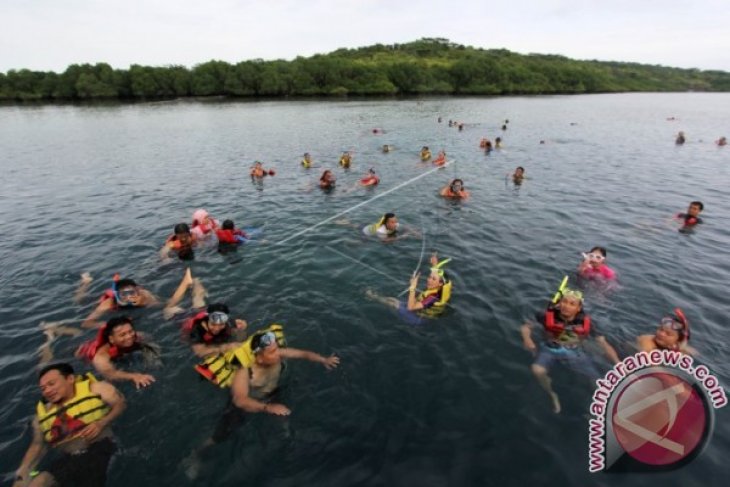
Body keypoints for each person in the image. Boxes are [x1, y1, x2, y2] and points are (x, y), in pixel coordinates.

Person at [12, 363, 125, 487]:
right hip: (68, 459)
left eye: (51, 384)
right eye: (43, 388)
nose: (47, 391)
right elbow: (38, 445)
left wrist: (101, 423)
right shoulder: (41, 416)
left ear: (70, 379)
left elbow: (120, 405)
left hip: (100, 447)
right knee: (38, 482)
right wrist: (23, 471)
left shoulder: (97, 389)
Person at [520, 284, 620, 413]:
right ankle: (552, 394)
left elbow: (603, 343)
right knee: (537, 370)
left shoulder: (586, 323)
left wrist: (618, 363)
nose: (566, 306)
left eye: (572, 304)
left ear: (578, 308)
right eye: (564, 302)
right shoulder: (545, 316)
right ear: (559, 303)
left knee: (598, 381)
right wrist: (527, 339)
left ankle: (609, 408)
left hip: (574, 352)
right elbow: (526, 327)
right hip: (549, 349)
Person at [366, 254, 452, 326]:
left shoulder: (433, 297)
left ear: (440, 283)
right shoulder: (445, 284)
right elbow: (437, 274)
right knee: (392, 299)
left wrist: (413, 287)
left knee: (394, 303)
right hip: (427, 311)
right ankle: (376, 297)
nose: (429, 280)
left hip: (418, 319)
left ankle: (372, 297)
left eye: (433, 279)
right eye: (429, 277)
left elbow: (410, 308)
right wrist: (435, 264)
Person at [75, 316, 157, 389]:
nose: (129, 336)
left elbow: (150, 340)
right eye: (122, 335)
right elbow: (111, 375)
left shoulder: (137, 337)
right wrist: (134, 376)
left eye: (130, 331)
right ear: (111, 339)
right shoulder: (101, 357)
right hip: (82, 353)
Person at [81, 275, 159, 329]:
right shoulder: (108, 304)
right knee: (81, 299)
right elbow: (86, 323)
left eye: (131, 293)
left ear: (137, 290)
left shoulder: (144, 294)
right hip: (98, 301)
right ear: (117, 295)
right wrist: (112, 326)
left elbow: (159, 305)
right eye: (124, 294)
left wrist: (146, 303)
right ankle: (85, 283)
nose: (128, 297)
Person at [183, 303, 248, 358]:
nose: (217, 328)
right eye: (213, 324)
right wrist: (226, 347)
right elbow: (200, 352)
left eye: (221, 324)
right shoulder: (197, 329)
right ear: (207, 320)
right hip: (184, 317)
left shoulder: (225, 321)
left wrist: (242, 325)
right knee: (174, 310)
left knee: (242, 335)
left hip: (201, 310)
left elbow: (234, 323)